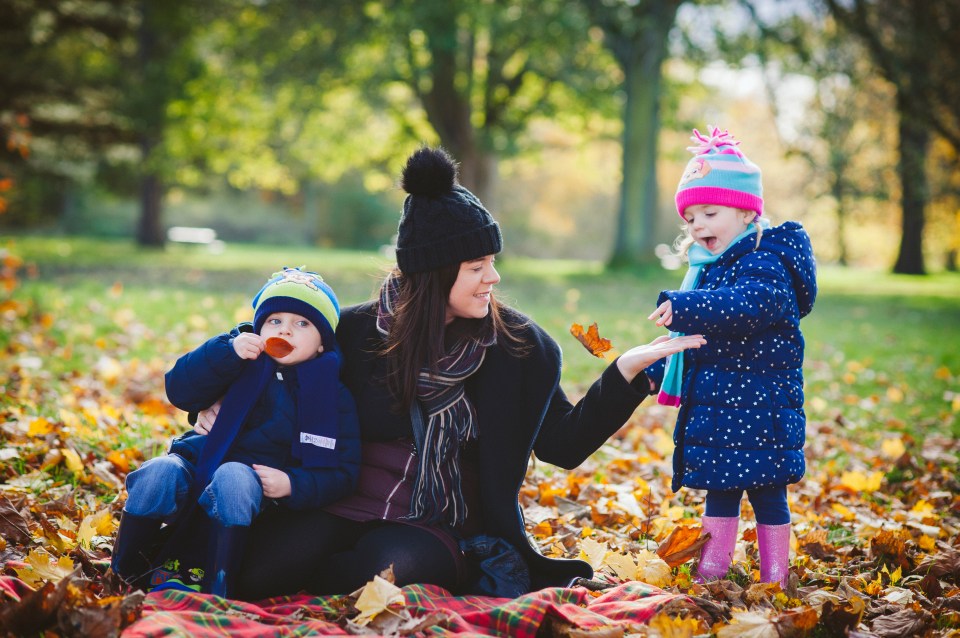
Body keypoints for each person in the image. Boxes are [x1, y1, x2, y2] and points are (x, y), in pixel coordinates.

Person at [188, 146, 707, 601]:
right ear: (437, 272)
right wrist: (215, 403)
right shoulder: (350, 331)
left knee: (392, 570)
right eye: (477, 265)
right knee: (258, 574)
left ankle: (383, 570)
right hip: (335, 497)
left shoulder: (519, 349)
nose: (494, 277)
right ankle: (304, 569)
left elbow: (561, 446)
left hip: (434, 522)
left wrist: (624, 374)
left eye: (492, 262)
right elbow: (272, 348)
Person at [110, 267, 361, 598]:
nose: (285, 330)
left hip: (251, 488)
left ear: (321, 344)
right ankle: (125, 571)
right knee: (159, 472)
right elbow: (180, 390)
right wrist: (225, 352)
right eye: (275, 320)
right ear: (259, 327)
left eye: (302, 323)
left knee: (233, 477)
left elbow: (342, 471)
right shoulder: (238, 358)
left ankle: (218, 581)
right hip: (198, 465)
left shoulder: (330, 395)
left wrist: (293, 484)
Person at [646, 126, 817, 589]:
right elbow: (701, 342)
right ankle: (712, 572)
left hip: (762, 409)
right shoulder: (708, 270)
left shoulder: (765, 260)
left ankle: (775, 578)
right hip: (722, 411)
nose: (699, 226)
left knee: (768, 496)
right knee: (719, 493)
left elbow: (747, 308)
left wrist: (686, 306)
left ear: (745, 211)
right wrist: (659, 370)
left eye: (710, 212)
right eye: (691, 218)